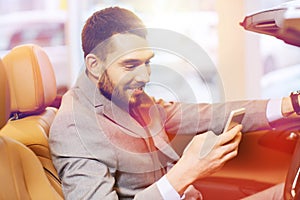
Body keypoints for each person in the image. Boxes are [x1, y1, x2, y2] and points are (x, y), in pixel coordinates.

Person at [49, 7, 299, 200]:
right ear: (94, 65)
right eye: (130, 65)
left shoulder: (124, 95)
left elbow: (205, 115)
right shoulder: (75, 128)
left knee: (289, 191)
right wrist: (186, 173)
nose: (145, 77)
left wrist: (290, 104)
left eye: (147, 62)